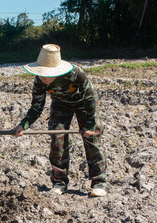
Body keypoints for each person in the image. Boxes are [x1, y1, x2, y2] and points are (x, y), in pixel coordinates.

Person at [12, 44, 107, 197]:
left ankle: (99, 182)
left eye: (45, 74)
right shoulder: (39, 81)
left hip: (83, 104)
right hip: (60, 105)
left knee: (91, 139)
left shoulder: (76, 74)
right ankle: (59, 182)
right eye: (40, 73)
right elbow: (36, 107)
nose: (42, 77)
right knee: (57, 139)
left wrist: (90, 124)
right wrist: (23, 125)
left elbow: (92, 100)